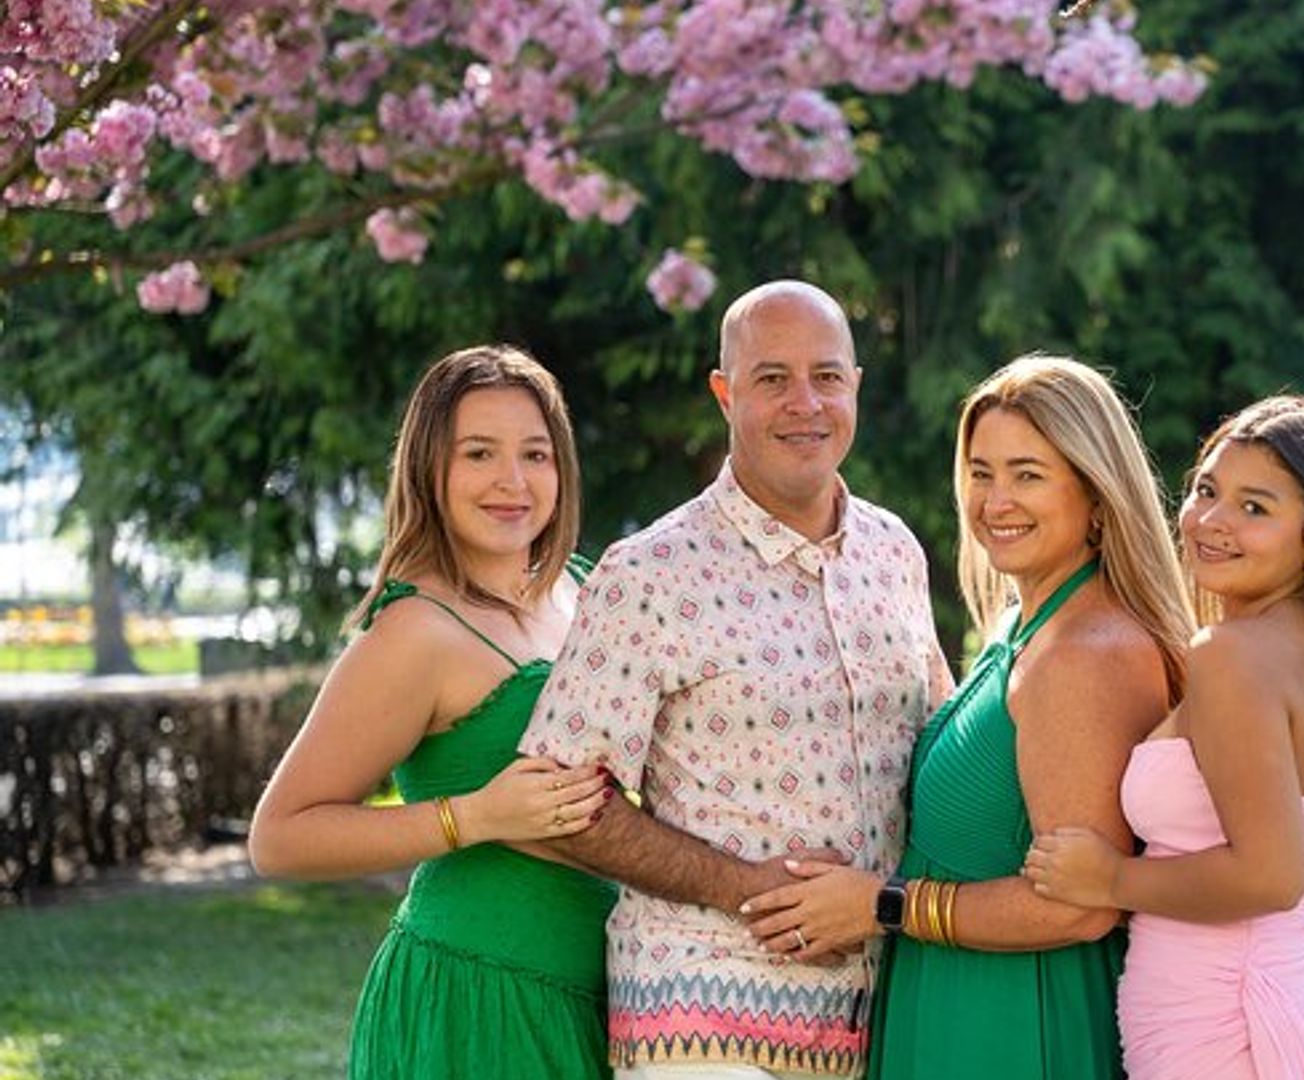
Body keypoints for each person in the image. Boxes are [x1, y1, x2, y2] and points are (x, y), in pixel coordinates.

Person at [516, 280, 952, 1079]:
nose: (805, 403)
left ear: (856, 384)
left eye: (826, 376)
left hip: (882, 1015)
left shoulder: (896, 552)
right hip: (705, 1019)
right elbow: (561, 801)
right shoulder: (650, 572)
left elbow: (936, 753)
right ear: (725, 393)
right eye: (772, 378)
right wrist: (746, 887)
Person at [737, 354, 1195, 1080]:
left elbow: (1078, 909)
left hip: (1014, 1020)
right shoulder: (1022, 626)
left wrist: (882, 907)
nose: (996, 500)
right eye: (982, 473)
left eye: (1028, 474)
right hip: (955, 996)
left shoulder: (1087, 652)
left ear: (1096, 494)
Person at [249, 345, 619, 1079]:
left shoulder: (588, 591)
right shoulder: (415, 633)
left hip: (612, 995)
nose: (512, 481)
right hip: (477, 1001)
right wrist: (475, 818)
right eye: (479, 453)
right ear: (431, 469)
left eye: (536, 454)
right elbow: (279, 838)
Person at [1023, 394, 1304, 1080]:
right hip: (1238, 1004)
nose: (1212, 522)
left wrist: (1110, 879)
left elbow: (1270, 876)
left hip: (1223, 1022)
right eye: (1206, 490)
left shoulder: (1233, 655)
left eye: (1255, 507)